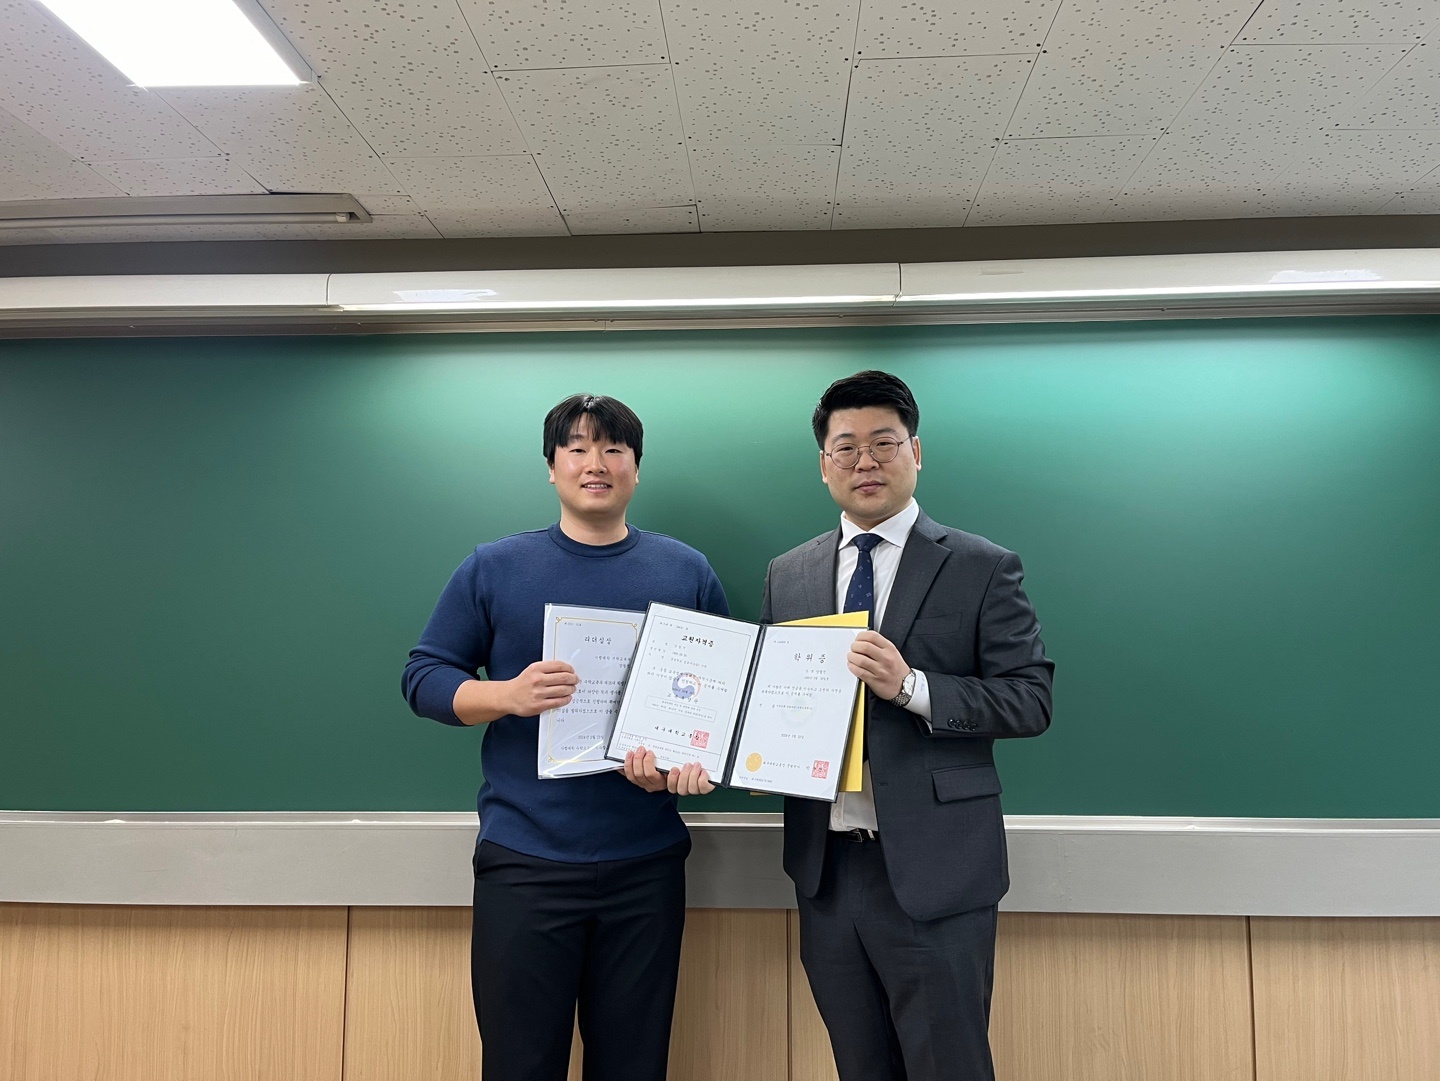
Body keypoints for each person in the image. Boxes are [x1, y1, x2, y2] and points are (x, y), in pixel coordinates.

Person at [401, 393, 723, 1081]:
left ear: (637, 466)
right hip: (526, 861)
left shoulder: (686, 571)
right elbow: (423, 677)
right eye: (577, 448)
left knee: (634, 1066)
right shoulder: (494, 567)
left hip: (646, 865)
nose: (595, 463)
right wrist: (506, 695)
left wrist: (680, 767)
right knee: (520, 1064)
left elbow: (718, 707)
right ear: (551, 466)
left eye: (613, 449)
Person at [760, 370, 1054, 1081]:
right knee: (859, 1066)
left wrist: (912, 687)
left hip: (936, 872)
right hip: (828, 872)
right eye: (846, 447)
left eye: (884, 443)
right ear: (824, 463)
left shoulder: (982, 566)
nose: (865, 461)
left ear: (915, 452)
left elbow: (1029, 699)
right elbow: (770, 703)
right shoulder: (788, 573)